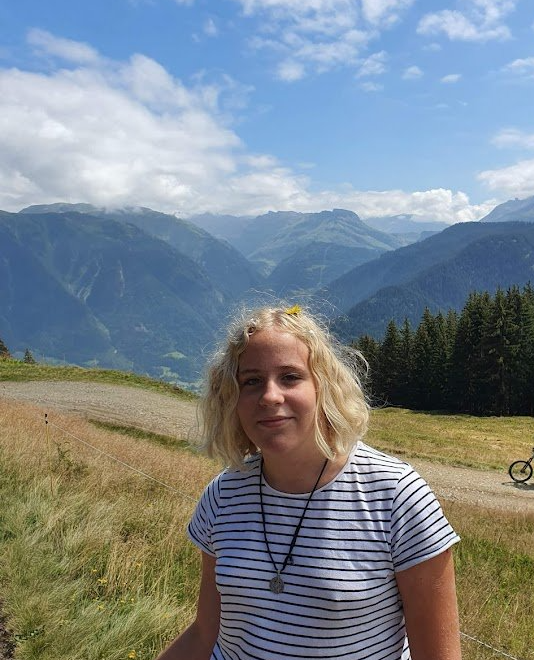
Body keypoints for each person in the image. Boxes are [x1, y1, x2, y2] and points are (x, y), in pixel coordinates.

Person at [156, 305, 462, 660]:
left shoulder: (396, 497)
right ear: (232, 399)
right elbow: (204, 632)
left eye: (290, 377)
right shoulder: (222, 496)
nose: (270, 396)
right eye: (251, 381)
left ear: (323, 387)